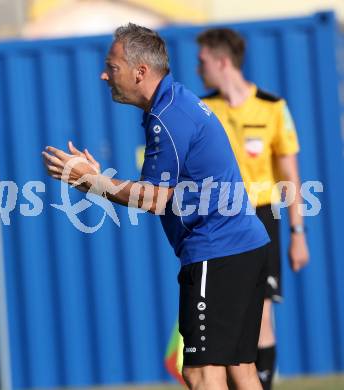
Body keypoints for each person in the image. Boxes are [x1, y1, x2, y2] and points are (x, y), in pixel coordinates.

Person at [42, 23, 271, 390]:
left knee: (200, 371)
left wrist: (89, 181)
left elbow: (153, 198)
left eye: (112, 66)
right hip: (244, 246)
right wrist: (98, 179)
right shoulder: (172, 103)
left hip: (219, 250)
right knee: (240, 368)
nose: (104, 75)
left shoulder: (168, 116)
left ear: (140, 71)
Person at [165, 28, 310, 390]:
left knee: (259, 317)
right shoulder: (203, 109)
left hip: (261, 217)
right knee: (223, 326)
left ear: (222, 61)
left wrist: (297, 233)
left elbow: (290, 174)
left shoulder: (272, 107)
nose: (197, 69)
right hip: (218, 220)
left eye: (202, 62)